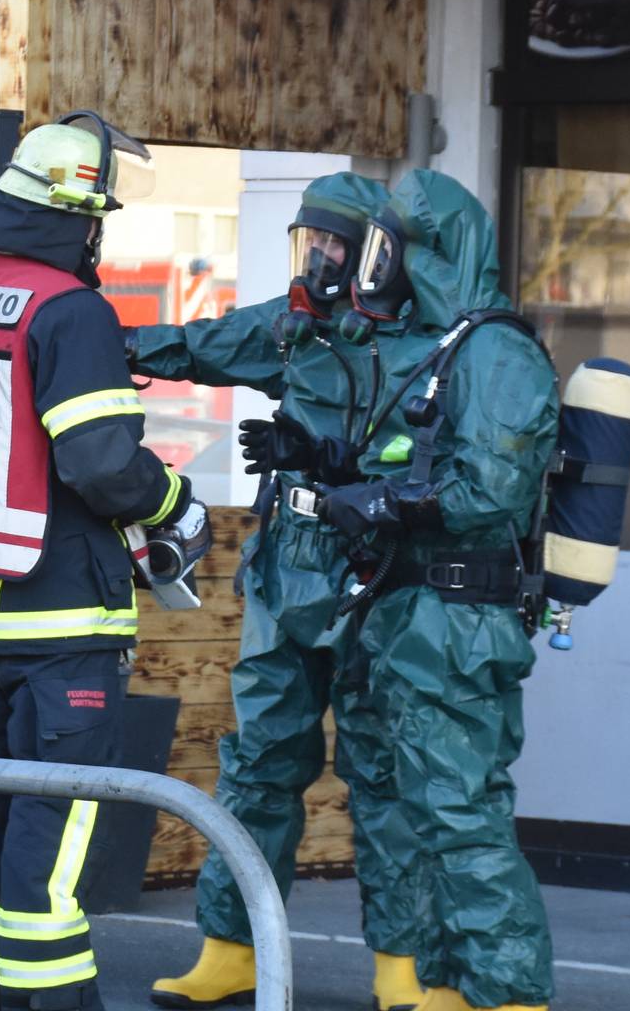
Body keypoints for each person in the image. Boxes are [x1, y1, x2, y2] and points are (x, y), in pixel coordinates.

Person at [0, 112, 211, 1011]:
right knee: (54, 825)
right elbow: (102, 463)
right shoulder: (71, 312)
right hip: (63, 620)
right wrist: (173, 505)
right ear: (81, 218)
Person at [131, 174, 434, 1011]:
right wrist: (98, 342)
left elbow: (439, 469)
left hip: (380, 573)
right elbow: (195, 344)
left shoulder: (427, 344)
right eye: (312, 243)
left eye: (338, 244)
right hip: (288, 559)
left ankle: (401, 971)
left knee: (382, 773)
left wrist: (338, 460)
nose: (323, 260)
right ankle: (230, 949)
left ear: (381, 251)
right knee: (260, 763)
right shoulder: (290, 330)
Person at [317, 169, 561, 1011]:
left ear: (434, 251)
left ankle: (512, 993)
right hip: (416, 616)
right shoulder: (450, 344)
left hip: (456, 622)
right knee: (424, 820)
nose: (376, 266)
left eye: (391, 247)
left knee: (463, 820)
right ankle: (454, 985)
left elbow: (487, 492)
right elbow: (418, 461)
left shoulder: (496, 352)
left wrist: (383, 504)